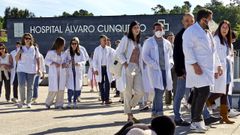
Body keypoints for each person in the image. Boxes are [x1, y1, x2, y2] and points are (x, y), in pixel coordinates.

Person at [182, 8, 223, 132]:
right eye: (209, 19)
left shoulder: (208, 32)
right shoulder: (190, 31)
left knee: (198, 93)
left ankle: (195, 121)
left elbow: (213, 51)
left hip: (207, 68)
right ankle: (197, 120)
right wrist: (194, 65)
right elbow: (187, 50)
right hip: (197, 68)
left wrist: (218, 65)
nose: (211, 22)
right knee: (203, 92)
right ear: (203, 19)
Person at [142, 22, 174, 118]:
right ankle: (159, 111)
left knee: (161, 90)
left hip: (165, 70)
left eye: (160, 29)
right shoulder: (149, 42)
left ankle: (154, 111)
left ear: (163, 30)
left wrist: (171, 63)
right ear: (153, 31)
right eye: (157, 29)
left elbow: (171, 56)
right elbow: (145, 56)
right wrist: (153, 64)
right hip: (155, 70)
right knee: (159, 90)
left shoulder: (167, 43)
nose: (159, 31)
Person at [206, 20, 235, 124]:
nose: (225, 29)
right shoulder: (216, 39)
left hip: (227, 69)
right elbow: (214, 55)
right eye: (223, 27)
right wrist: (216, 68)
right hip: (219, 69)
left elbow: (227, 54)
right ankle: (206, 102)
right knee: (220, 92)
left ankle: (224, 117)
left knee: (224, 94)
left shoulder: (226, 40)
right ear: (219, 28)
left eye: (227, 28)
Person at [116, 21, 144, 123]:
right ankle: (129, 115)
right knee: (127, 91)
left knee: (140, 91)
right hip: (128, 66)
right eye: (135, 28)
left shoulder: (138, 41)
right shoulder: (126, 39)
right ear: (131, 29)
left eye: (138, 27)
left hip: (137, 68)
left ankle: (129, 107)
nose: (137, 29)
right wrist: (125, 64)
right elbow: (119, 53)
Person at [173, 13, 194, 126]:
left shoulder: (195, 34)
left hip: (195, 70)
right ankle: (177, 118)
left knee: (196, 92)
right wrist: (179, 71)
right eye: (187, 21)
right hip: (184, 71)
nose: (189, 23)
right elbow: (176, 55)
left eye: (191, 21)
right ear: (183, 22)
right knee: (179, 94)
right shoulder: (179, 36)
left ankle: (198, 116)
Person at [15, 33, 41, 108]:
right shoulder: (20, 48)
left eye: (29, 38)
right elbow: (16, 59)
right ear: (24, 39)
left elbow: (37, 58)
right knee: (21, 85)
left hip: (31, 70)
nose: (27, 40)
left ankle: (28, 102)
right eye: (26, 38)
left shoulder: (35, 48)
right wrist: (19, 52)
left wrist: (39, 69)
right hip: (21, 69)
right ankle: (22, 101)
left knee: (30, 86)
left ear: (31, 39)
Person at [65, 37, 89, 108]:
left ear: (77, 44)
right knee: (70, 87)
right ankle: (69, 102)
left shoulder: (80, 51)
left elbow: (84, 60)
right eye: (72, 43)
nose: (74, 45)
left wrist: (79, 63)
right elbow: (64, 60)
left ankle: (75, 102)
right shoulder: (68, 51)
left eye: (75, 44)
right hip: (70, 71)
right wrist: (68, 62)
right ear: (70, 44)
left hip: (78, 71)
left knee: (77, 87)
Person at [45, 37, 67, 109]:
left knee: (61, 88)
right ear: (59, 44)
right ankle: (48, 103)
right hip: (54, 72)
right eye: (63, 44)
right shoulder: (51, 52)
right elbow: (46, 61)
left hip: (61, 72)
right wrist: (53, 63)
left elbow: (66, 61)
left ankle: (59, 104)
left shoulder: (64, 53)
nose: (64, 46)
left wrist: (65, 64)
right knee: (53, 88)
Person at [93, 35, 114, 105]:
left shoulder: (110, 49)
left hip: (107, 68)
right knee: (101, 83)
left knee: (108, 83)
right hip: (100, 68)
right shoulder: (97, 49)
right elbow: (94, 60)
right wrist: (95, 69)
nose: (106, 41)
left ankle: (107, 99)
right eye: (104, 40)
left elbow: (116, 55)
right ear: (100, 41)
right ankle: (102, 99)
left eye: (106, 40)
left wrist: (114, 69)